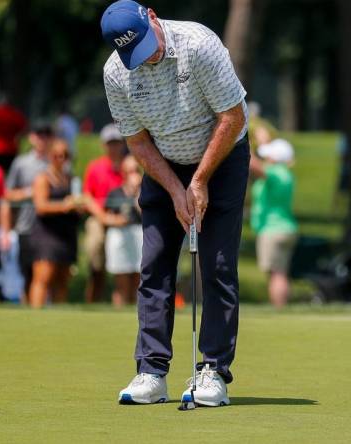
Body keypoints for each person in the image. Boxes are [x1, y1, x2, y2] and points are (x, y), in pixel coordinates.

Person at [102, 0, 249, 406]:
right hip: (164, 162)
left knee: (216, 265)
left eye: (147, 43)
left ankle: (213, 371)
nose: (147, 55)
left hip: (221, 156)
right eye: (134, 52)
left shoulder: (198, 44)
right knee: (155, 265)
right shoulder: (116, 72)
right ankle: (151, 370)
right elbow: (135, 139)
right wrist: (173, 187)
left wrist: (199, 180)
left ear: (152, 16)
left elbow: (232, 117)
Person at [28, 139, 83, 308]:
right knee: (43, 277)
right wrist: (64, 206)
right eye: (56, 155)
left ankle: (57, 318)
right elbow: (41, 206)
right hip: (47, 235)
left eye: (65, 155)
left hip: (66, 234)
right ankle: (34, 317)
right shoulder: (43, 178)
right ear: (50, 156)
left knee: (63, 279)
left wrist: (79, 207)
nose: (61, 159)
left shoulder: (72, 179)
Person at [1, 124, 51, 302]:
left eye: (46, 134)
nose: (43, 139)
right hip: (25, 226)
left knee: (45, 273)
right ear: (32, 137)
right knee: (25, 273)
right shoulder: (21, 163)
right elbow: (8, 194)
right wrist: (30, 192)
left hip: (48, 228)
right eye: (39, 134)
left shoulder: (56, 162)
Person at [250, 139, 298, 308]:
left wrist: (240, 140)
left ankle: (279, 308)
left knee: (276, 273)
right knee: (280, 272)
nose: (266, 159)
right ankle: (281, 307)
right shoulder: (285, 174)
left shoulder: (277, 173)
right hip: (284, 228)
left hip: (273, 229)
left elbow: (254, 166)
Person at [82, 124, 126, 303]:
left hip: (124, 220)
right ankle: (92, 300)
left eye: (116, 143)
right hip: (99, 218)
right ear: (104, 145)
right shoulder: (95, 167)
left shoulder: (128, 167)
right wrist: (103, 217)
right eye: (110, 143)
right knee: (96, 250)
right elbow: (87, 197)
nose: (114, 147)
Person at [103, 156, 143, 307]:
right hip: (120, 236)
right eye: (129, 171)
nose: (133, 174)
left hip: (139, 235)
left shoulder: (144, 192)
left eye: (135, 170)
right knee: (121, 282)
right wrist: (117, 220)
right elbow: (106, 216)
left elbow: (144, 213)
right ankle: (119, 311)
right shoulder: (115, 193)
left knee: (138, 281)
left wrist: (136, 193)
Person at [0, 96, 27, 172]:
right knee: (10, 173)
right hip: (11, 148)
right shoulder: (15, 114)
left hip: (0, 147)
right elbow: (24, 129)